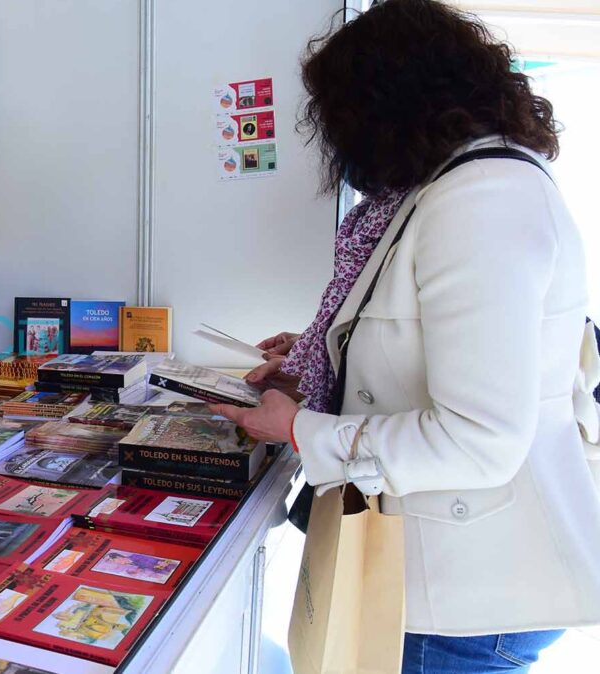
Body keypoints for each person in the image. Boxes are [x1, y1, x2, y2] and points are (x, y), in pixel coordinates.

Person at [208, 2, 600, 672]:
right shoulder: (450, 187)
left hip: (463, 590)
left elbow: (476, 439)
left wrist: (299, 430)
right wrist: (319, 349)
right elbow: (427, 329)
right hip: (437, 565)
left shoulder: (481, 200)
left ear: (384, 103)